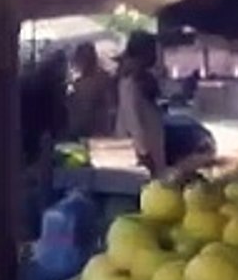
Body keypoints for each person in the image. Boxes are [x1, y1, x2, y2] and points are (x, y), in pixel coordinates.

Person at [115, 31, 166, 175]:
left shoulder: (143, 78)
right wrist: (144, 154)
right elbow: (133, 122)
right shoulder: (129, 82)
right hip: (139, 153)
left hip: (149, 146)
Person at [65, 42, 116, 139]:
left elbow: (110, 107)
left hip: (97, 133)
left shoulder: (102, 80)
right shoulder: (78, 83)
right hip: (84, 132)